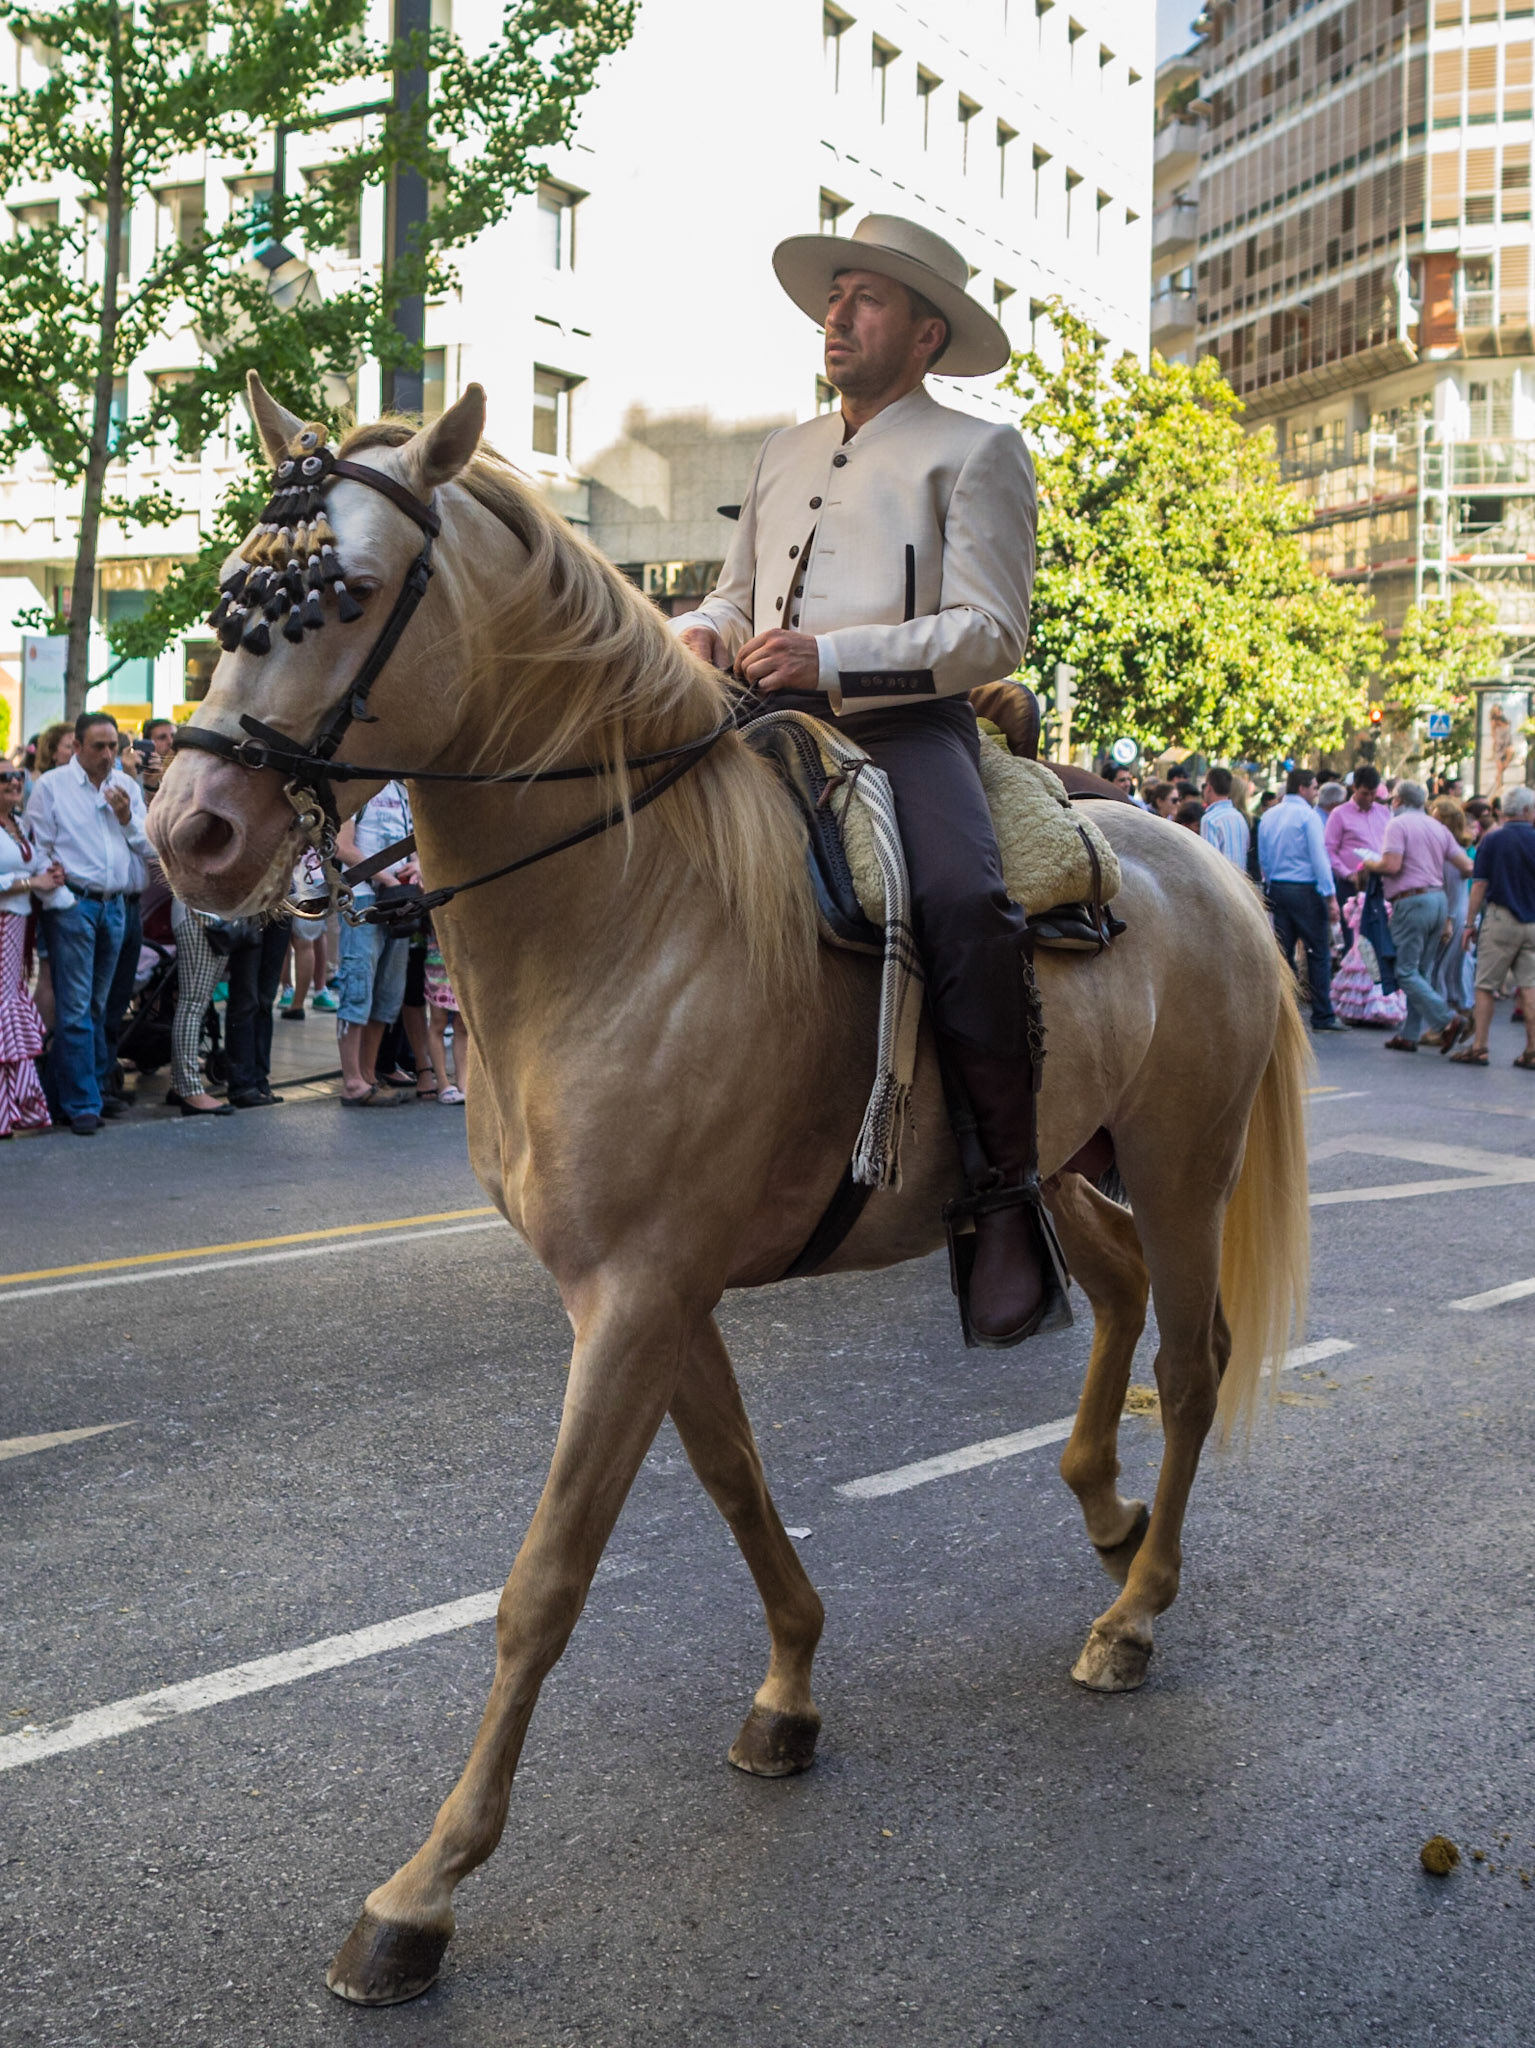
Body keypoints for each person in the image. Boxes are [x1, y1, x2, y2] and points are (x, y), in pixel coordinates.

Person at [669, 211, 1067, 1347]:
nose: (836, 315)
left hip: (904, 729)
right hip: (755, 713)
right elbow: (734, 593)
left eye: (867, 300)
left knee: (959, 900)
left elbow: (993, 631)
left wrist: (834, 657)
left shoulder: (976, 449)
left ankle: (1001, 1191)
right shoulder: (781, 447)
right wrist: (701, 629)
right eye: (833, 294)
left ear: (927, 334)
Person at [25, 712, 154, 1133]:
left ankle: (72, 1095)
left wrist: (126, 819)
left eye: (113, 746)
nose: (107, 755)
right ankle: (84, 1103)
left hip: (114, 906)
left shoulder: (126, 788)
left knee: (98, 1007)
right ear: (77, 747)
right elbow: (38, 849)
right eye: (98, 746)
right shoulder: (52, 787)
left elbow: (148, 848)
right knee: (77, 1008)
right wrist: (63, 901)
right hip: (75, 906)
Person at [1358, 778, 1472, 1053]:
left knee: (1405, 971)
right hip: (1438, 900)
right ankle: (1409, 1035)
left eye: (1392, 799)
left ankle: (1447, 1019)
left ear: (1399, 801)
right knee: (1420, 971)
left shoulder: (1397, 824)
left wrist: (1369, 863)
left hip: (1411, 902)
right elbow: (1467, 866)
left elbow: (1392, 865)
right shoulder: (1438, 827)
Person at [334, 779, 417, 1106]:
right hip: (364, 904)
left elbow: (415, 842)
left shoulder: (401, 790)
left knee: (387, 996)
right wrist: (385, 877)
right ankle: (352, 1081)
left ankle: (367, 1076)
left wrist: (418, 867)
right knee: (357, 989)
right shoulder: (357, 790)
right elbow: (342, 846)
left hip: (397, 903)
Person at [1450, 781, 1535, 1069]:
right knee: (1530, 985)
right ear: (1526, 811)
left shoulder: (1493, 840)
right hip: (1532, 921)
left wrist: (1469, 923)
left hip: (1500, 919)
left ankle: (1480, 1047)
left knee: (1485, 985)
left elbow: (1479, 884)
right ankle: (1532, 1049)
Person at [0, 763, 64, 1135]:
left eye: (17, 777)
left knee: (8, 1010)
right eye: (4, 778)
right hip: (5, 924)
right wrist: (32, 881)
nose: (13, 782)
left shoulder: (19, 823)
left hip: (18, 925)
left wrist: (48, 877)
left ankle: (12, 1108)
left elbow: (32, 865)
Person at [1258, 767, 1346, 1032]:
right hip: (1305, 888)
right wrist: (1330, 897)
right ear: (1304, 788)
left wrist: (1270, 884)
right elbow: (1320, 860)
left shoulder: (1269, 815)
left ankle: (1284, 1014)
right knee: (1318, 952)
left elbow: (1263, 856)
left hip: (1278, 887)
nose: (1317, 793)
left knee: (1283, 955)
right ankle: (1323, 1014)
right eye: (1315, 788)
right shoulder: (1308, 816)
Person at [166, 895, 233, 1115]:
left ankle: (181, 1084)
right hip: (199, 912)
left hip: (212, 912)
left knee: (196, 1004)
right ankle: (190, 1089)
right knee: (192, 1004)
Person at [1428, 795, 1475, 1019]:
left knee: (1442, 968)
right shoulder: (1458, 849)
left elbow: (1447, 889)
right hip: (1458, 914)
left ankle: (1451, 1020)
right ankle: (1461, 1016)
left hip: (1452, 915)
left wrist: (1447, 920)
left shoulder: (1449, 853)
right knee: (1453, 968)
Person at [1323, 762, 1388, 910]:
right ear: (1354, 788)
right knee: (1352, 930)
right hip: (1351, 885)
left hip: (1379, 881)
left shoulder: (1383, 812)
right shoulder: (1339, 814)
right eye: (1365, 793)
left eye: (1373, 793)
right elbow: (1329, 850)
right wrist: (1348, 874)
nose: (1370, 798)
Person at [423, 926, 469, 1104]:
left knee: (462, 1025)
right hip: (439, 955)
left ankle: (463, 1082)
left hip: (464, 955)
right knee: (438, 1022)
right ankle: (442, 1083)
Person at [1199, 766, 1251, 869]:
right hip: (1239, 881)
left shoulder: (1210, 820)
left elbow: (1210, 863)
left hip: (1221, 882)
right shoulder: (1239, 817)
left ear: (1209, 787)